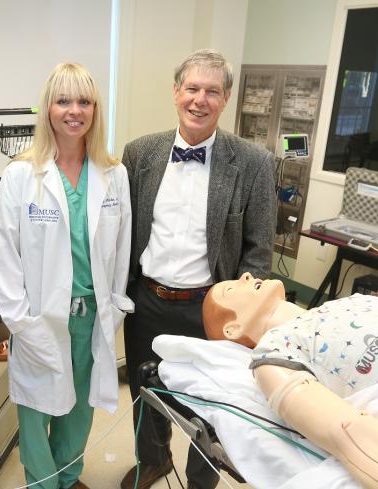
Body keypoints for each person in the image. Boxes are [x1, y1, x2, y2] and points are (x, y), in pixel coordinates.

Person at [121, 48, 277, 489]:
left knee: (208, 403)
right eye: (192, 88)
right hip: (147, 300)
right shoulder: (141, 154)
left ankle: (200, 479)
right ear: (176, 92)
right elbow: (124, 231)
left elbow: (258, 250)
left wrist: (242, 315)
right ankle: (153, 460)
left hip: (212, 308)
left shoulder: (252, 162)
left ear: (225, 98)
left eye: (211, 91)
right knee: (145, 392)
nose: (199, 100)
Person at [0, 62, 133, 489]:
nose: (75, 110)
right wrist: (20, 321)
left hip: (92, 316)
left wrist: (117, 303)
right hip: (40, 317)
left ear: (95, 109)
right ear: (47, 109)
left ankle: (68, 479)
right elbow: (4, 257)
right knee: (35, 413)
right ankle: (43, 483)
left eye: (84, 101)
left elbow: (121, 250)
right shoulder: (21, 175)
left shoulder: (114, 174)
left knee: (78, 410)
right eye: (63, 100)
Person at [203, 272, 378, 489]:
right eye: (231, 289)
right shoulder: (274, 351)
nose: (247, 276)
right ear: (232, 329)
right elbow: (344, 429)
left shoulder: (340, 303)